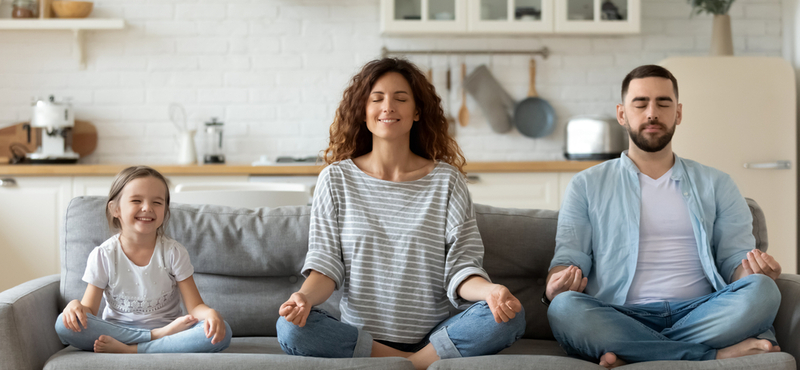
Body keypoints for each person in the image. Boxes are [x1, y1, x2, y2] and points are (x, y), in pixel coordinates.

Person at [275, 58, 525, 370]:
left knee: (509, 314)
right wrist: (304, 298)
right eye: (376, 98)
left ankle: (403, 363)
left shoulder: (447, 180)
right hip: (359, 335)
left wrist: (491, 291)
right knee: (289, 328)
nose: (388, 107)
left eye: (401, 99)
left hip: (433, 335)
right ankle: (415, 365)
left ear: (417, 111)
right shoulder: (336, 179)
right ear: (363, 111)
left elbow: (462, 267)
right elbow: (325, 265)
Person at [545, 65, 782, 368]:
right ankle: (712, 355)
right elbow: (570, 257)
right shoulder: (586, 185)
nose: (652, 113)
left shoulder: (718, 183)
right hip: (621, 313)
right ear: (622, 114)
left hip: (701, 310)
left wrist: (755, 273)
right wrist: (556, 285)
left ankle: (633, 352)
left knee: (764, 291)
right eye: (640, 103)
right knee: (564, 308)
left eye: (663, 103)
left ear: (678, 113)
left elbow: (734, 261)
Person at [55, 166, 231, 353]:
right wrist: (76, 307)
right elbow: (88, 309)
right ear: (115, 209)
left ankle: (133, 349)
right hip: (122, 332)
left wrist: (210, 313)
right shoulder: (103, 255)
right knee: (63, 324)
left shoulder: (174, 252)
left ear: (165, 210)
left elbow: (195, 306)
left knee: (223, 332)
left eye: (157, 202)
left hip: (172, 332)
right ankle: (154, 338)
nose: (147, 208)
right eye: (136, 200)